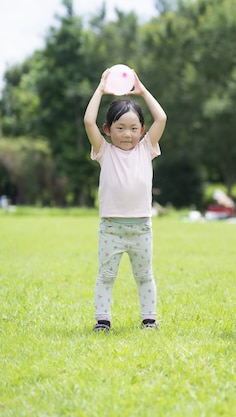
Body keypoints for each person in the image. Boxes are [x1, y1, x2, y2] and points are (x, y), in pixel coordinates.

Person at [84, 68, 167, 332]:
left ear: (142, 130)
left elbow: (162, 117)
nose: (127, 134)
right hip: (111, 227)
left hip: (141, 227)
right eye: (120, 128)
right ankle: (102, 320)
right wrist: (100, 89)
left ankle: (149, 319)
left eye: (133, 128)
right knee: (106, 276)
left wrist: (142, 91)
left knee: (144, 276)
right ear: (107, 130)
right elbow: (88, 122)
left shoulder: (146, 148)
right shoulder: (104, 151)